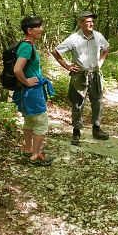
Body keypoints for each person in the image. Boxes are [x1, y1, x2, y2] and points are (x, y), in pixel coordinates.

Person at [52, 11, 110, 146]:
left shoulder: (98, 36)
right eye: (88, 21)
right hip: (79, 75)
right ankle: (76, 131)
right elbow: (56, 52)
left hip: (95, 74)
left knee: (97, 101)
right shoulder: (73, 39)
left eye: (92, 22)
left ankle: (96, 128)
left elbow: (106, 49)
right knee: (77, 104)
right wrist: (67, 66)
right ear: (80, 23)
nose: (91, 24)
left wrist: (100, 62)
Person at [13, 15, 55, 166]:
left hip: (27, 92)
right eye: (39, 26)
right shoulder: (27, 46)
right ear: (30, 30)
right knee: (41, 121)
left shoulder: (28, 44)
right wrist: (27, 81)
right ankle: (35, 156)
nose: (42, 29)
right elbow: (17, 69)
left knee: (30, 121)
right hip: (32, 92)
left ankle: (28, 151)